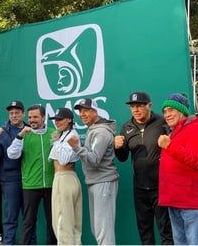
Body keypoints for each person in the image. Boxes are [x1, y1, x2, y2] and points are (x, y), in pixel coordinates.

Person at [114, 91, 173, 245]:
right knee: (144, 229)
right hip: (139, 188)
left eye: (140, 106)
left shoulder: (162, 122)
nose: (136, 109)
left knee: (166, 229)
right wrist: (118, 148)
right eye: (133, 106)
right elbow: (122, 157)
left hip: (161, 186)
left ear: (149, 106)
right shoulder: (126, 127)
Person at [158, 93, 198, 245]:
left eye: (171, 110)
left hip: (191, 201)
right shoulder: (175, 132)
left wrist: (169, 146)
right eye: (165, 111)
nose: (167, 115)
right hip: (175, 199)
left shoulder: (197, 129)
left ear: (181, 111)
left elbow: (197, 160)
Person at [67, 98, 119, 245]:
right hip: (96, 181)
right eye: (80, 111)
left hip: (103, 181)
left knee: (103, 230)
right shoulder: (93, 129)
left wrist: (77, 147)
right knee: (97, 229)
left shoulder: (101, 132)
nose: (82, 114)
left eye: (86, 110)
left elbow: (94, 160)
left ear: (95, 111)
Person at [7, 104, 57, 245]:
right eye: (30, 117)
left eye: (35, 117)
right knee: (28, 222)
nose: (32, 120)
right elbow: (11, 154)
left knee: (52, 221)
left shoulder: (53, 133)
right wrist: (20, 136)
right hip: (30, 185)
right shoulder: (24, 134)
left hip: (51, 184)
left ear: (43, 117)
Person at [0, 100, 30, 245]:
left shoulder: (30, 129)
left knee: (29, 217)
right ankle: (8, 243)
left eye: (17, 113)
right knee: (11, 216)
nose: (14, 115)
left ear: (22, 114)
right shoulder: (2, 131)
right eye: (11, 113)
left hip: (29, 177)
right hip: (10, 179)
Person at [48, 107, 82, 245]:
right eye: (55, 120)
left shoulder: (71, 136)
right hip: (65, 178)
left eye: (60, 119)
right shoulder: (64, 135)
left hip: (64, 178)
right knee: (72, 223)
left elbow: (63, 159)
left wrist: (56, 141)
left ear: (69, 120)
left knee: (62, 221)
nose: (57, 122)